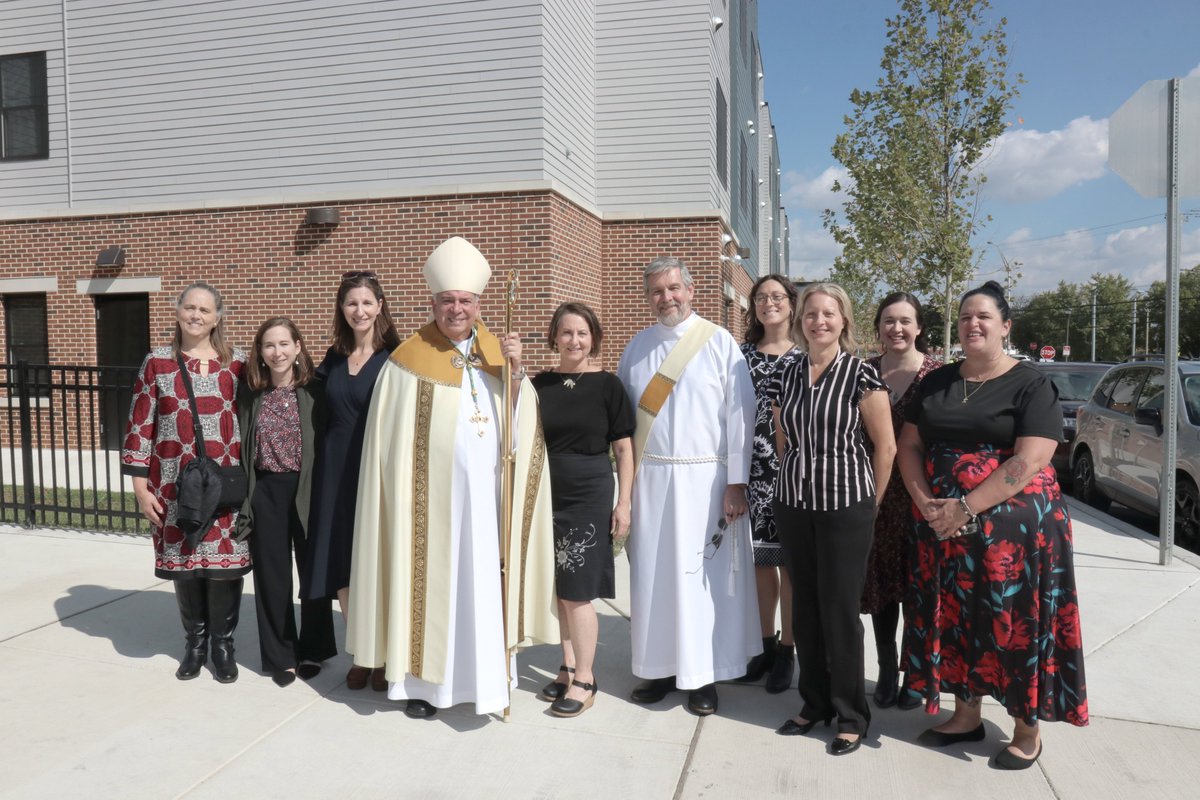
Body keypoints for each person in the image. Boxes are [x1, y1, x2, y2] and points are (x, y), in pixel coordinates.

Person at [345, 236, 558, 719]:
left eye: (464, 301)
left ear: (479, 305)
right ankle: (426, 689)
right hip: (426, 505)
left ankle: (488, 684)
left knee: (481, 588)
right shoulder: (407, 360)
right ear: (433, 303)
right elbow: (388, 441)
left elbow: (525, 425)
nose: (456, 309)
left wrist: (518, 370)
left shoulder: (499, 351)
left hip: (486, 503)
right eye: (447, 301)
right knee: (427, 586)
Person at [897, 280, 1088, 770]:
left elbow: (1035, 455)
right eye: (964, 317)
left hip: (1015, 538)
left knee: (1012, 624)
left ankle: (1027, 729)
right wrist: (924, 502)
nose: (972, 324)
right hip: (944, 530)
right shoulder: (937, 380)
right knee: (958, 618)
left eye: (983, 316)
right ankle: (965, 715)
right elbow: (910, 445)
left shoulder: (1030, 382)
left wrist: (965, 507)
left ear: (1005, 325)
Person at [617, 256, 759, 717]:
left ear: (692, 291)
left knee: (700, 581)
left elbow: (740, 416)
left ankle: (702, 677)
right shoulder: (635, 348)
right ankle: (658, 667)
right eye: (657, 291)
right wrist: (624, 489)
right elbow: (624, 427)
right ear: (647, 297)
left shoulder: (718, 343)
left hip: (707, 481)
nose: (667, 298)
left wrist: (737, 482)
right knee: (653, 578)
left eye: (674, 288)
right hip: (652, 480)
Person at [771, 282, 896, 757]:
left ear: (844, 321)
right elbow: (784, 436)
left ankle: (850, 714)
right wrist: (793, 479)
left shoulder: (861, 375)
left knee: (840, 611)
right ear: (801, 321)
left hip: (847, 506)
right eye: (810, 314)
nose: (818, 321)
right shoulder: (788, 372)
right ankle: (814, 701)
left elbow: (884, 447)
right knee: (804, 607)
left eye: (829, 314)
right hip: (795, 502)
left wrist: (873, 503)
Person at [122, 282, 249, 683]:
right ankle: (194, 644)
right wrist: (141, 488)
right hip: (174, 484)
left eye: (205, 310)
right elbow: (140, 425)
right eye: (189, 307)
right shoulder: (157, 362)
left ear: (218, 318)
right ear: (178, 311)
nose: (196, 315)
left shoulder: (238, 365)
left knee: (223, 570)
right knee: (186, 568)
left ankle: (223, 646)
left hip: (225, 486)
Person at [532, 302, 635, 717]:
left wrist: (623, 503)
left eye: (582, 333)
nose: (574, 340)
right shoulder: (540, 384)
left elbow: (624, 449)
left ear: (594, 338)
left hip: (589, 490)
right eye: (567, 332)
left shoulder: (608, 386)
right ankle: (568, 664)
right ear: (554, 337)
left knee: (578, 590)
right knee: (560, 589)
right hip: (546, 494)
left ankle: (587, 679)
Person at [302, 271, 400, 688]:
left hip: (377, 471)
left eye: (366, 302)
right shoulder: (333, 358)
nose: (359, 310)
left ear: (380, 305)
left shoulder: (399, 357)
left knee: (376, 561)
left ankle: (384, 657)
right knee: (341, 563)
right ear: (342, 310)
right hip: (334, 472)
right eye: (351, 303)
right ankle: (360, 654)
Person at [236, 318, 337, 687]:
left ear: (297, 347)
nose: (276, 352)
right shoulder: (251, 393)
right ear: (260, 353)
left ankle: (313, 650)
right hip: (266, 490)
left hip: (309, 488)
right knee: (272, 576)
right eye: (268, 345)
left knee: (312, 573)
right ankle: (281, 655)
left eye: (283, 344)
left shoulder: (316, 390)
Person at [863, 292, 940, 709]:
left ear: (919, 327)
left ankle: (915, 672)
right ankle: (886, 667)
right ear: (878, 326)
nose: (897, 329)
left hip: (919, 494)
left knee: (918, 588)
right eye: (889, 321)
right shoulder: (863, 372)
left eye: (905, 321)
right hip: (874, 495)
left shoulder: (938, 375)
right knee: (881, 587)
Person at [736, 275, 802, 694]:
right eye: (761, 297)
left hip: (794, 473)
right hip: (750, 470)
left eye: (776, 296)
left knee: (790, 566)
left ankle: (787, 649)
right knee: (760, 563)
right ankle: (761, 645)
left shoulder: (808, 355)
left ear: (791, 304)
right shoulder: (738, 355)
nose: (768, 303)